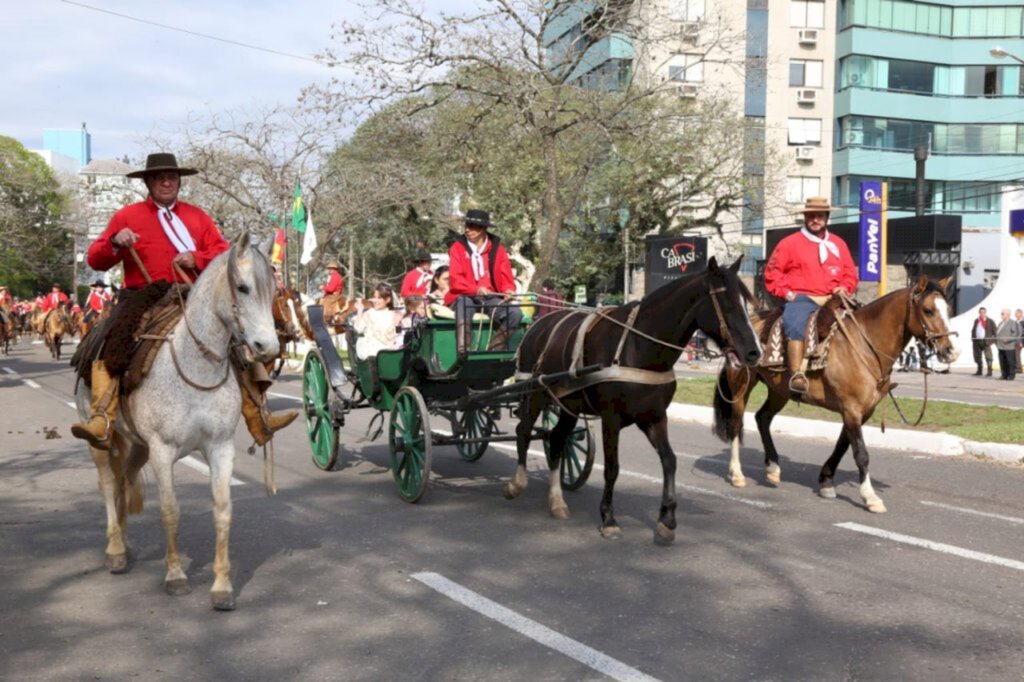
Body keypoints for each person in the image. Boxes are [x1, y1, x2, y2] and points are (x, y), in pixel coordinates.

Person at [70, 152, 296, 450]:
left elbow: (223, 256)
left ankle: (258, 414)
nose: (166, 182)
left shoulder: (197, 216)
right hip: (143, 295)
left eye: (172, 178)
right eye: (159, 178)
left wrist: (196, 257)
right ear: (148, 182)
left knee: (233, 341)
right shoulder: (127, 216)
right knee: (114, 339)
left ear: (178, 182)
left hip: (192, 293)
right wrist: (114, 242)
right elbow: (95, 260)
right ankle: (102, 416)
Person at [763, 196, 858, 393]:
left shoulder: (838, 244)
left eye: (820, 216)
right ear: (805, 218)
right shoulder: (789, 243)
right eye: (811, 216)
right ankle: (797, 374)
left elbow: (850, 272)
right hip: (803, 298)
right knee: (795, 323)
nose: (816, 220)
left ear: (827, 217)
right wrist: (786, 293)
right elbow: (772, 272)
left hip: (834, 298)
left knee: (861, 322)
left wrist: (845, 287)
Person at [446, 209, 522, 350]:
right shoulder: (457, 248)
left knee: (515, 312)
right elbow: (456, 280)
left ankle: (494, 350)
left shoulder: (498, 249)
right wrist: (476, 289)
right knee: (464, 303)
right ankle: (463, 351)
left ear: (484, 229)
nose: (467, 230)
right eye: (466, 225)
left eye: (472, 226)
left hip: (490, 298)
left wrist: (508, 290)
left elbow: (507, 278)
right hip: (464, 295)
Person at [353, 283, 397, 359]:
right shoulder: (369, 313)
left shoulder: (393, 315)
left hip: (388, 348)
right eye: (374, 297)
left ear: (388, 300)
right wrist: (360, 310)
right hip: (369, 348)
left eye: (379, 298)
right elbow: (359, 329)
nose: (375, 301)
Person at [970, 306, 997, 377]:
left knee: (988, 357)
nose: (982, 313)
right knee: (977, 356)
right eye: (981, 312)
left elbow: (995, 332)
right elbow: (973, 330)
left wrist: (992, 341)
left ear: (985, 313)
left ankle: (989, 371)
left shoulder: (990, 321)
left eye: (983, 312)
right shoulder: (976, 320)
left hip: (986, 342)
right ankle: (979, 370)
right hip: (977, 341)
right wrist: (973, 338)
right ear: (979, 313)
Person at [995, 308, 1020, 380]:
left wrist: (1008, 339)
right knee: (1002, 361)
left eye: (1003, 314)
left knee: (1010, 362)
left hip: (1008, 346)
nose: (1001, 315)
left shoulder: (1012, 323)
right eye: (1001, 313)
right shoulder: (1001, 323)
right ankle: (1004, 375)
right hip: (1000, 346)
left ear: (1008, 314)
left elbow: (1015, 334)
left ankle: (1011, 375)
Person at [1015, 308, 1023, 373]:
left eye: (1017, 313)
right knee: (1016, 354)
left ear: (1021, 314)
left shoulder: (1022, 322)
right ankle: (1018, 368)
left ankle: (1019, 368)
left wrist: (1021, 342)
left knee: (1017, 354)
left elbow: (1021, 332)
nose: (1015, 314)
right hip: (1017, 341)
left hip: (1021, 341)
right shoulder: (1016, 322)